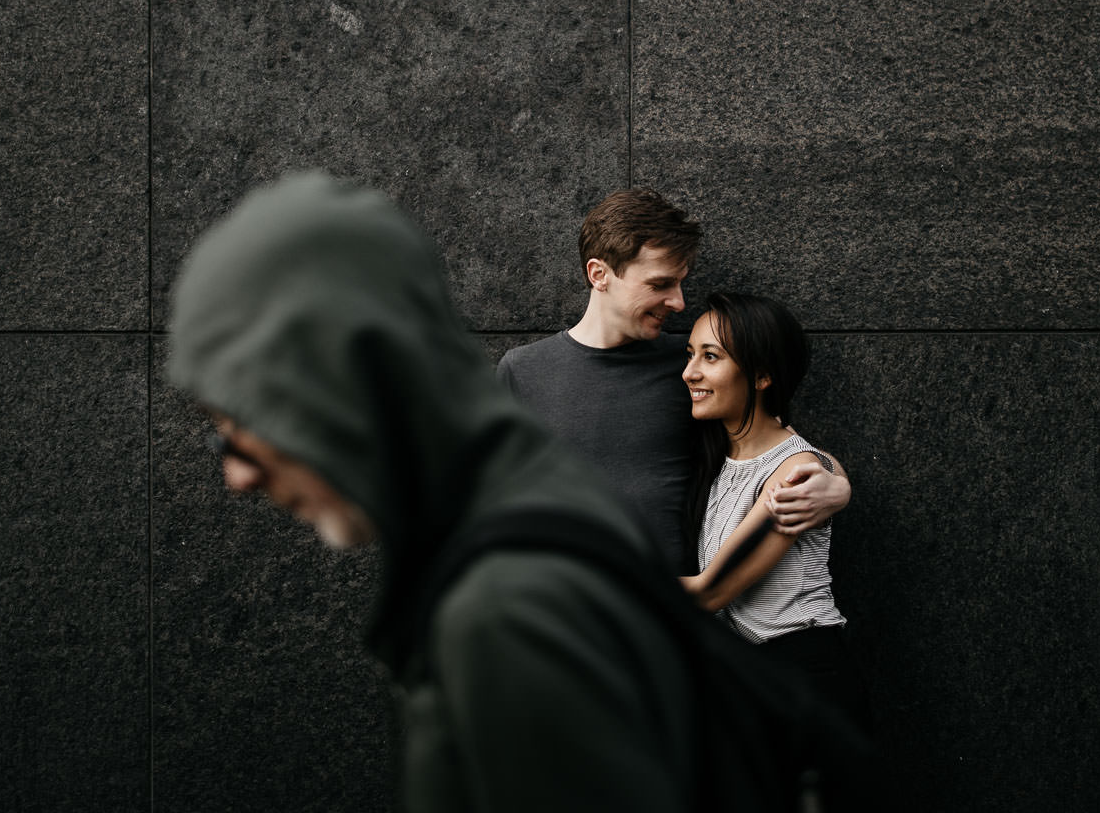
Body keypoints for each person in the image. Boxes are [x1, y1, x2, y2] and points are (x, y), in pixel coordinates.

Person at [168, 172, 696, 812]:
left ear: (329, 392)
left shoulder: (504, 605)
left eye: (239, 429)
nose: (238, 478)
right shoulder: (500, 532)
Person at [497, 188, 851, 571]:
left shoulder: (693, 366)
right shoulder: (523, 370)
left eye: (680, 283)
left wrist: (837, 484)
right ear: (599, 274)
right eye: (660, 284)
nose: (679, 302)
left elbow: (777, 442)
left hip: (675, 600)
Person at [679, 292, 869, 734]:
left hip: (803, 681)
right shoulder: (722, 457)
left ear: (763, 375)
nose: (690, 372)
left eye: (711, 356)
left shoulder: (796, 474)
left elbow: (709, 593)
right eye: (690, 354)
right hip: (753, 682)